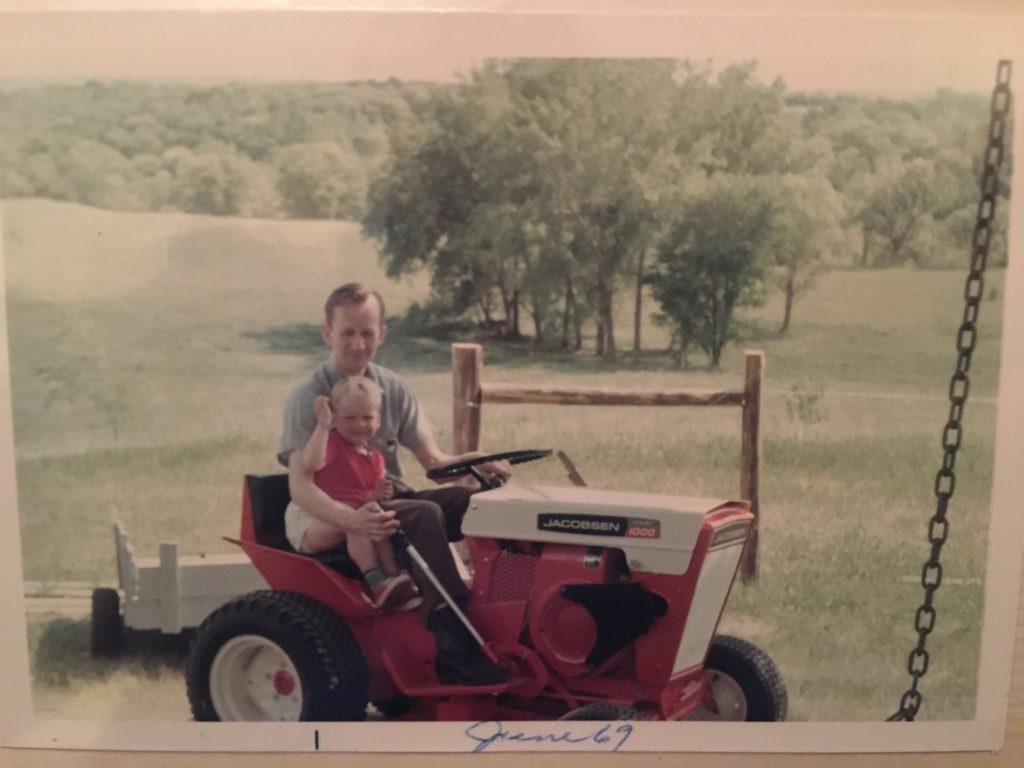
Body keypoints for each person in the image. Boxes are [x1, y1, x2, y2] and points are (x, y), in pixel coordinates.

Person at [278, 283, 510, 686]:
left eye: (367, 333)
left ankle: (505, 610)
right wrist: (353, 521)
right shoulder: (309, 397)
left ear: (382, 334)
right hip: (327, 510)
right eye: (347, 332)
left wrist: (481, 464)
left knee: (474, 501)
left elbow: (433, 463)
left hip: (384, 498)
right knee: (423, 514)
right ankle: (452, 644)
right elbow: (301, 487)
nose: (357, 344)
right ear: (327, 333)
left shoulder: (393, 388)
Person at [291, 376, 421, 612]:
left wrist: (376, 495)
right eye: (350, 418)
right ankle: (375, 581)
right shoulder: (331, 442)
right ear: (335, 418)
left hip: (348, 515)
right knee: (358, 521)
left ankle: (395, 579)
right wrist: (323, 424)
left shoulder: (376, 458)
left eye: (367, 417)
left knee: (376, 515)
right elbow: (310, 463)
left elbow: (363, 500)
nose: (360, 424)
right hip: (314, 519)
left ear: (378, 420)